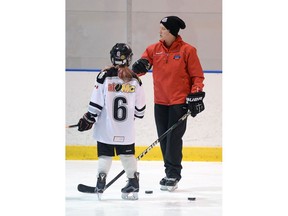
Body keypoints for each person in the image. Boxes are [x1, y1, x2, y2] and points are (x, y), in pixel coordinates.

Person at [132, 16, 205, 192]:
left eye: (163, 29)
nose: (160, 32)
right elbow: (139, 71)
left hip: (179, 102)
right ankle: (169, 172)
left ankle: (174, 174)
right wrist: (131, 69)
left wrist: (195, 95)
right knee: (164, 139)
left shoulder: (188, 50)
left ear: (171, 31)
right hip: (160, 102)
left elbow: (197, 76)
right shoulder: (153, 49)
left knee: (173, 139)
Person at [77, 43, 146, 200]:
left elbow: (96, 103)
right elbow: (140, 110)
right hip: (126, 129)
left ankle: (101, 182)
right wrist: (130, 118)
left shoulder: (104, 76)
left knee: (105, 155)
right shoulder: (135, 79)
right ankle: (133, 182)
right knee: (127, 155)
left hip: (106, 128)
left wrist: (89, 118)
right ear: (129, 59)